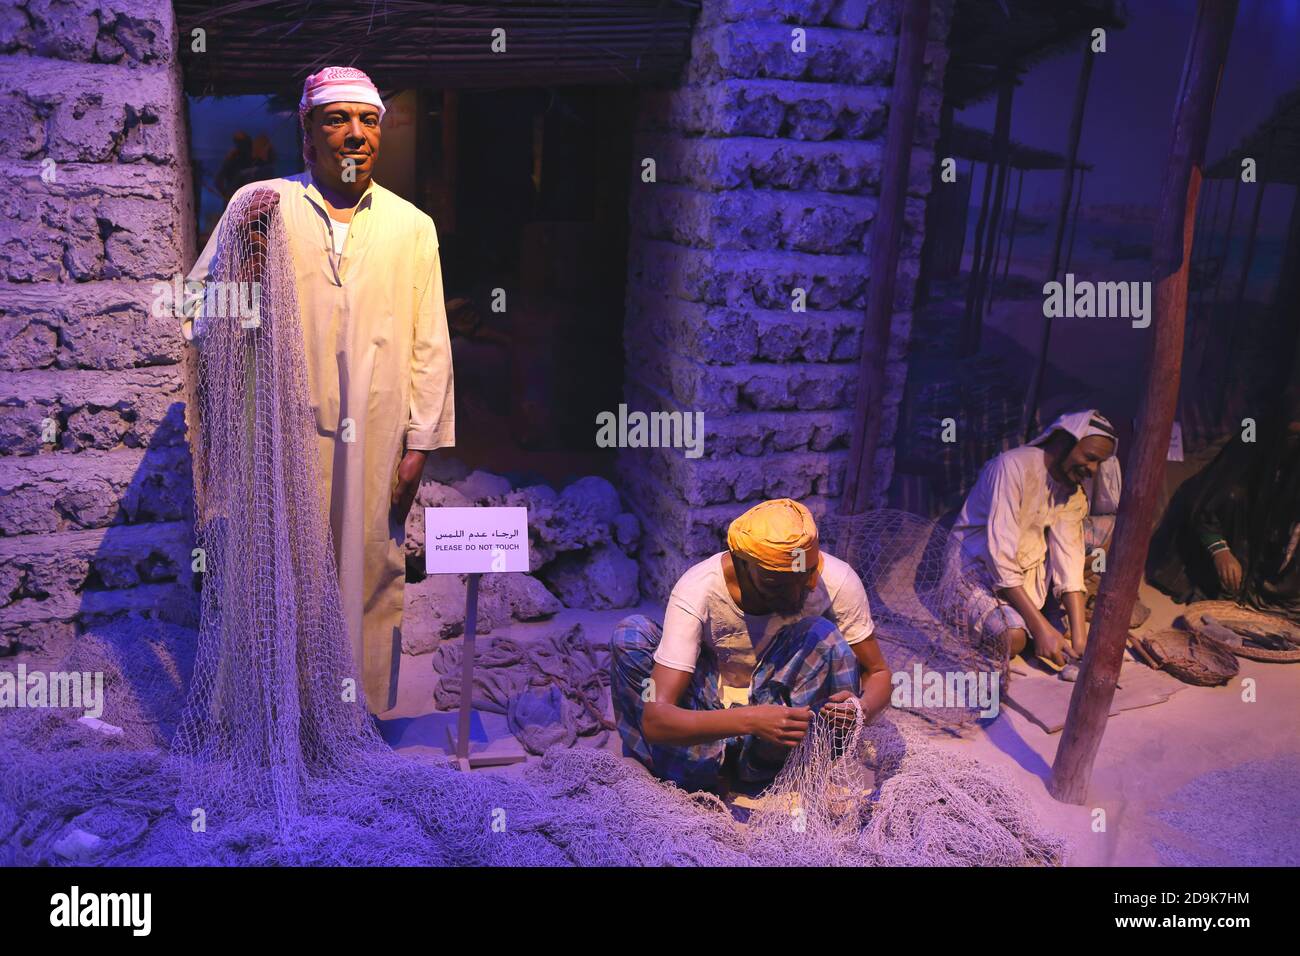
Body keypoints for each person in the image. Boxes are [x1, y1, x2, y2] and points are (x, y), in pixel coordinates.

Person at [181, 66, 456, 714]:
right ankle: (276, 713)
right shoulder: (263, 205)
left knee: (366, 566)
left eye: (367, 120)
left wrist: (421, 443)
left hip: (377, 425)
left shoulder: (412, 227)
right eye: (336, 119)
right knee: (278, 567)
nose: (354, 135)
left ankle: (354, 719)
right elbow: (197, 316)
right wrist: (242, 273)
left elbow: (430, 343)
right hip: (278, 426)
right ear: (307, 132)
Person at [609, 498, 891, 793]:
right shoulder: (698, 590)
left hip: (781, 735)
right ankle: (698, 772)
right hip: (709, 718)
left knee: (823, 635)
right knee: (632, 635)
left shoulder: (836, 581)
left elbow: (879, 673)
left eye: (807, 574)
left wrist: (862, 707)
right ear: (741, 564)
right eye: (779, 582)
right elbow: (656, 718)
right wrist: (750, 719)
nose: (804, 589)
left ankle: (790, 773)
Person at [950, 410, 1119, 667]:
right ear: (1065, 442)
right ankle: (1025, 624)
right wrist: (1039, 627)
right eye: (1090, 458)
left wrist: (1080, 640)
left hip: (1024, 571)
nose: (1093, 470)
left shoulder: (1072, 492)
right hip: (975, 570)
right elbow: (1000, 556)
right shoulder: (1012, 467)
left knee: (1056, 634)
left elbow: (1069, 560)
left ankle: (1032, 620)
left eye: (1099, 463)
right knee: (1014, 638)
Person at [1148, 391, 1300, 622]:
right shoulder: (1247, 450)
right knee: (1233, 497)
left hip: (1257, 561)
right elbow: (1203, 506)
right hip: (1212, 552)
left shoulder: (1288, 472)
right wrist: (1220, 551)